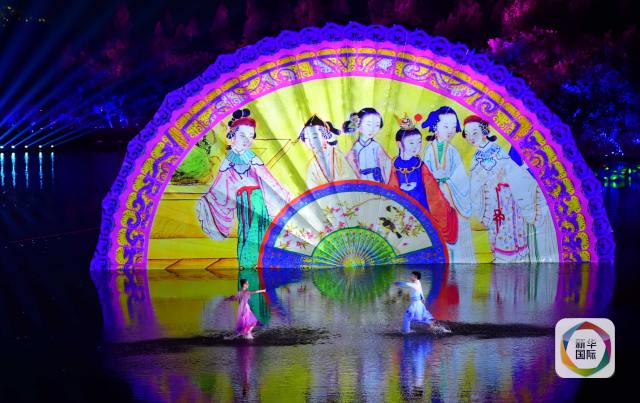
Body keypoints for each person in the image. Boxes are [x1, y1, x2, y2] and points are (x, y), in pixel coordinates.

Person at [197, 108, 290, 324]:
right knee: (246, 233)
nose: (247, 140)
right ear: (232, 135)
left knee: (259, 232)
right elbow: (221, 186)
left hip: (257, 200)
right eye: (242, 135)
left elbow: (269, 181)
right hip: (243, 201)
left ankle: (258, 270)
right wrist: (209, 200)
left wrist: (282, 196)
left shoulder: (253, 158)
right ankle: (248, 270)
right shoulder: (229, 160)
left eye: (250, 136)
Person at [463, 115, 558, 262]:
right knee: (496, 226)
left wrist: (498, 176)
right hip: (492, 199)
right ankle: (500, 255)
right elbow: (476, 180)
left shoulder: (496, 149)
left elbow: (509, 169)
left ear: (484, 132)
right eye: (467, 134)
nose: (471, 138)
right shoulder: (476, 157)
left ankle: (512, 255)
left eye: (475, 133)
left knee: (508, 225)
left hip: (506, 197)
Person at [387, 114, 458, 245]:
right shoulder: (394, 165)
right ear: (399, 144)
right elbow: (391, 189)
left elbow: (433, 191)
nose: (416, 146)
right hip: (403, 208)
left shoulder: (420, 165)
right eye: (411, 143)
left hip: (422, 207)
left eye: (419, 142)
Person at [422, 106, 476, 263]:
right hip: (435, 198)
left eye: (453, 127)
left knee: (456, 230)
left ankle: (460, 261)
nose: (451, 131)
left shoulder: (453, 150)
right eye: (446, 126)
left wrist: (446, 183)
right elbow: (426, 175)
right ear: (435, 126)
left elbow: (461, 178)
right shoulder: (429, 149)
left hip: (453, 198)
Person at [299, 114, 357, 188]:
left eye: (315, 137)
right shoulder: (313, 165)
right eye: (307, 138)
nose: (311, 142)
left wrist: (332, 139)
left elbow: (350, 175)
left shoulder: (336, 153)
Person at [343, 107, 392, 183]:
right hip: (360, 180)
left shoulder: (376, 146)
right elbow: (349, 161)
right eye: (368, 124)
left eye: (377, 125)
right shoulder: (355, 146)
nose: (372, 129)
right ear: (358, 124)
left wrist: (384, 180)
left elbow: (387, 163)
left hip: (375, 180)